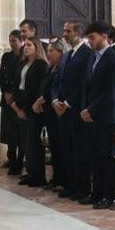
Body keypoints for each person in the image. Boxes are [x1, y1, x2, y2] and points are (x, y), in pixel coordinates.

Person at [80, 23, 115, 208]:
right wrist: (84, 108)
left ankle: (109, 195)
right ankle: (96, 193)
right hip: (91, 115)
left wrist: (91, 110)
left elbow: (110, 91)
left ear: (104, 37)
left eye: (92, 38)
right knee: (93, 155)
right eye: (88, 38)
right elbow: (86, 86)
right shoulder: (92, 57)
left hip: (106, 115)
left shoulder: (114, 58)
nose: (89, 42)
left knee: (106, 158)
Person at [54, 19, 92, 201]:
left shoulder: (86, 54)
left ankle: (82, 187)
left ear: (77, 33)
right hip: (61, 110)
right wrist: (55, 100)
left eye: (67, 31)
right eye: (64, 30)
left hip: (74, 110)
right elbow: (57, 80)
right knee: (66, 150)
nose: (64, 34)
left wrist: (67, 103)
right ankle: (71, 185)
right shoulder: (67, 55)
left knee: (80, 151)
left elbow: (82, 83)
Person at [16, 37, 51, 187]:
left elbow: (35, 89)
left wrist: (19, 103)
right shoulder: (23, 63)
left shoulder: (41, 65)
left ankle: (38, 176)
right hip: (22, 106)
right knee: (25, 142)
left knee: (33, 142)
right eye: (25, 45)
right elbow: (17, 84)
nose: (26, 47)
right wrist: (16, 106)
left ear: (36, 47)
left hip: (33, 107)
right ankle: (31, 173)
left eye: (29, 45)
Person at [36, 42, 66, 189]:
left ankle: (61, 179)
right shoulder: (51, 68)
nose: (48, 54)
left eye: (51, 51)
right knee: (54, 148)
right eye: (47, 51)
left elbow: (57, 87)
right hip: (49, 110)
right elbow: (46, 86)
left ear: (60, 52)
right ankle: (55, 178)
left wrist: (45, 99)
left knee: (60, 148)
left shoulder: (61, 68)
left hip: (57, 112)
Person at [0, 30, 23, 173]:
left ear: (21, 41)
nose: (12, 43)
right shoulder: (6, 56)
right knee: (9, 133)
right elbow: (2, 76)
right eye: (10, 40)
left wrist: (13, 94)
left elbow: (20, 78)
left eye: (14, 40)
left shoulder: (24, 56)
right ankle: (11, 160)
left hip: (18, 100)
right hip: (7, 100)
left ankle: (19, 163)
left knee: (19, 134)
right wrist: (5, 92)